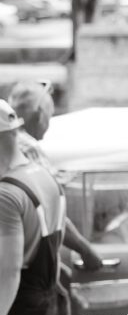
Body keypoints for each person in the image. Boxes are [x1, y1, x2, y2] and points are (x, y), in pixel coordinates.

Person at [0, 99, 69, 315]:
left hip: (23, 308)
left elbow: (9, 271)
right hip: (53, 300)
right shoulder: (44, 176)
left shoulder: (6, 194)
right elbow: (58, 239)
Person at [8, 81, 103, 273]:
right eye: (50, 117)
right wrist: (86, 250)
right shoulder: (28, 148)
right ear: (40, 114)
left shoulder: (11, 144)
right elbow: (52, 212)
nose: (48, 125)